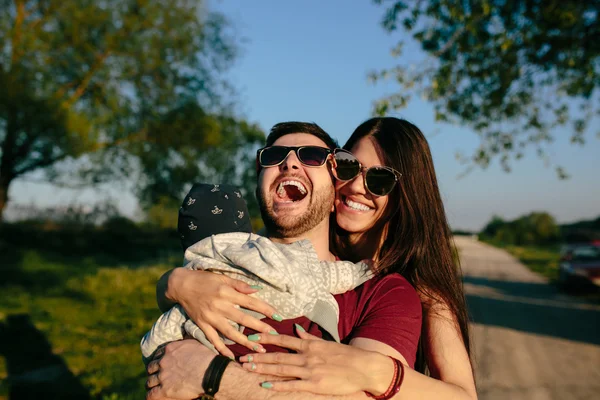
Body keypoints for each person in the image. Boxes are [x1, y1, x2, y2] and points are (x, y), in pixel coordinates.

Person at [147, 119, 476, 399]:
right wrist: (176, 283)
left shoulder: (401, 290)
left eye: (379, 179)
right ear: (336, 180)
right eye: (349, 168)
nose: (357, 186)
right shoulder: (236, 261)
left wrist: (213, 375)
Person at [140, 182, 372, 363]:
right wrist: (361, 270)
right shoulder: (274, 254)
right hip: (297, 332)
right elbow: (326, 275)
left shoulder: (197, 277)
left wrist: (151, 355)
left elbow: (161, 335)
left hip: (229, 351)